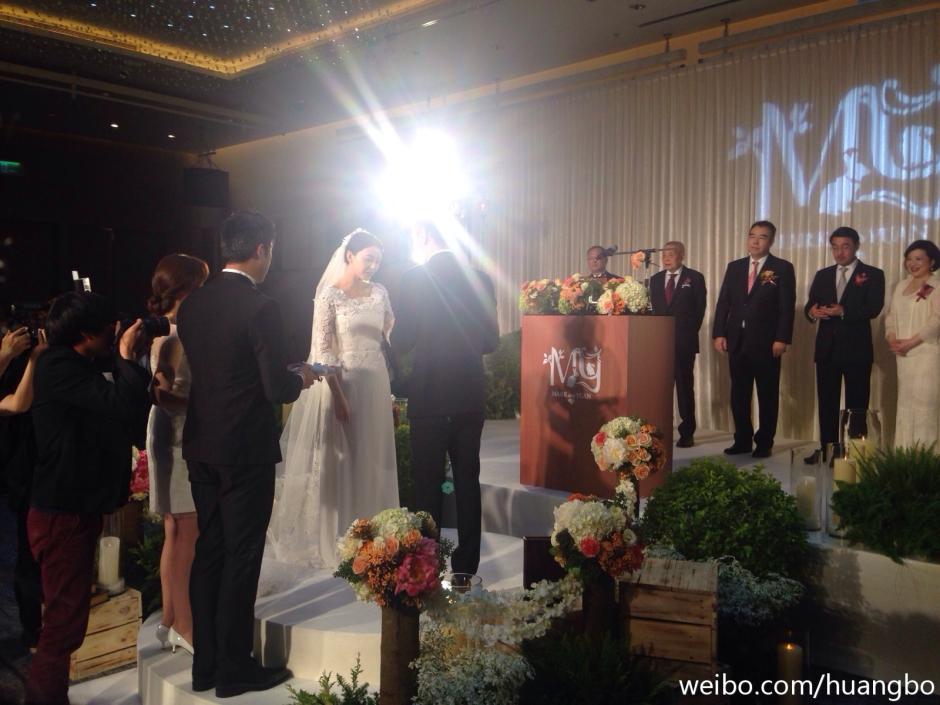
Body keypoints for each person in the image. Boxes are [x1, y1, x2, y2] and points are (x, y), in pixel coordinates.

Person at [177, 211, 318, 699]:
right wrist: (302, 377)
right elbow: (276, 387)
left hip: (201, 443)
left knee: (210, 551)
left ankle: (205, 665)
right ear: (261, 250)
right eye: (271, 250)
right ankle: (235, 667)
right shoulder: (261, 307)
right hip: (243, 449)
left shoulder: (193, 304)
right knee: (242, 555)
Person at [26, 292, 150, 705]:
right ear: (85, 332)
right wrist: (127, 355)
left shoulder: (78, 364)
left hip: (71, 510)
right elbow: (120, 404)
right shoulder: (58, 366)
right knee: (63, 626)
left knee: (67, 620)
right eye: (109, 327)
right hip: (62, 514)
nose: (115, 331)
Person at [268, 230, 399, 569]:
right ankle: (342, 540)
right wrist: (338, 395)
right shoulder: (330, 295)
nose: (373, 266)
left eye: (378, 261)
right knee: (345, 459)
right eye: (368, 258)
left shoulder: (380, 292)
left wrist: (389, 394)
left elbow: (387, 336)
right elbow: (324, 350)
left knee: (374, 457)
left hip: (376, 382)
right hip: (344, 384)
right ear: (349, 255)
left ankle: (376, 536)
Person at [391, 220, 499, 575]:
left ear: (423, 236)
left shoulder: (413, 279)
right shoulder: (480, 279)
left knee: (427, 486)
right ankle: (466, 569)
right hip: (468, 394)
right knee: (467, 482)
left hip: (429, 394)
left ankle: (427, 568)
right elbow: (491, 342)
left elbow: (402, 341)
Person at [146, 254, 209, 656]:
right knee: (186, 530)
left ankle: (170, 619)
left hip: (169, 431)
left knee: (175, 530)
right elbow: (160, 392)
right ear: (188, 289)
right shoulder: (174, 336)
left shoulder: (166, 330)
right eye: (202, 283)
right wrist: (201, 406)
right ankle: (185, 625)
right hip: (177, 434)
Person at [713, 220, 796, 458]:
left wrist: (782, 338)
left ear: (771, 241)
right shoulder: (735, 267)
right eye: (752, 236)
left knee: (767, 394)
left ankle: (764, 442)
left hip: (767, 342)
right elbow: (724, 302)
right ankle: (742, 439)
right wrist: (719, 333)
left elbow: (786, 307)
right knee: (739, 394)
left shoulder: (782, 267)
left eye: (762, 237)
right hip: (737, 340)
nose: (755, 241)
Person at [804, 227, 885, 461]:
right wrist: (812, 312)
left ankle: (855, 452)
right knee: (826, 403)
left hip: (856, 349)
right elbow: (810, 305)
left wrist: (843, 311)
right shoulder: (823, 274)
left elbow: (873, 308)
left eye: (845, 246)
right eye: (835, 247)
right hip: (826, 349)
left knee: (857, 405)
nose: (839, 252)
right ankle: (828, 449)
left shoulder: (873, 274)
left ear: (857, 246)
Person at [1, 326, 47, 652]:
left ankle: (36, 629)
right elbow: (19, 404)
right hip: (19, 469)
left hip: (27, 465)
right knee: (28, 555)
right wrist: (23, 358)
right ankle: (33, 630)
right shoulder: (13, 360)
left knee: (31, 552)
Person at [648, 241, 707, 448]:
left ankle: (687, 432)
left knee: (684, 388)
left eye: (671, 254)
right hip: (659, 343)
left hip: (684, 343)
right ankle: (660, 430)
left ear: (682, 255)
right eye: (664, 255)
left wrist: (687, 334)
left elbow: (700, 310)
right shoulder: (655, 280)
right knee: (661, 389)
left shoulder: (695, 278)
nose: (666, 258)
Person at [885, 240, 940, 448]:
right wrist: (892, 338)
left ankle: (928, 461)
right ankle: (905, 457)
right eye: (909, 259)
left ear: (931, 261)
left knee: (925, 408)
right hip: (903, 357)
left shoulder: (937, 285)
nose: (913, 263)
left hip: (927, 354)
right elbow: (890, 316)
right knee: (906, 406)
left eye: (918, 259)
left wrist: (912, 342)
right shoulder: (901, 285)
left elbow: (937, 320)